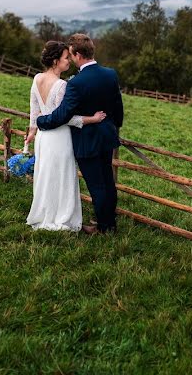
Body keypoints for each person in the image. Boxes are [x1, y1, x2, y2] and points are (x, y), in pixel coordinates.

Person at [37, 34, 124, 234]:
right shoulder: (110, 74)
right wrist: (114, 126)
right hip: (107, 136)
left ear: (76, 54)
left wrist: (42, 121)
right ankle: (109, 222)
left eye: (71, 55)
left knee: (97, 185)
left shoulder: (76, 83)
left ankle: (103, 228)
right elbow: (118, 106)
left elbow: (62, 114)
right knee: (108, 182)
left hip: (87, 140)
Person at [25, 41, 105, 231]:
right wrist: (92, 119)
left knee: (46, 175)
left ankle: (45, 213)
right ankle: (61, 216)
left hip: (43, 138)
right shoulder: (61, 85)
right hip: (59, 137)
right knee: (61, 177)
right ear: (55, 61)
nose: (68, 61)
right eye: (65, 58)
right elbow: (64, 118)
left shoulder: (37, 78)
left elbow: (34, 110)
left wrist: (32, 131)